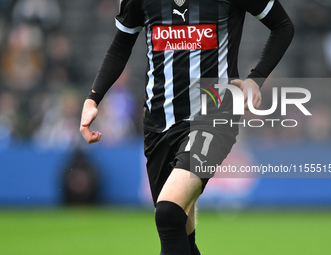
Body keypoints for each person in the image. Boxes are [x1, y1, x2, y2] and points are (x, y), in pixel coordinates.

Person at [80, 0, 294, 254]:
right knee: (180, 231)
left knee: (169, 213)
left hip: (215, 115)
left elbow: (282, 25)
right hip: (158, 124)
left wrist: (255, 79)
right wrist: (93, 98)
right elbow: (120, 46)